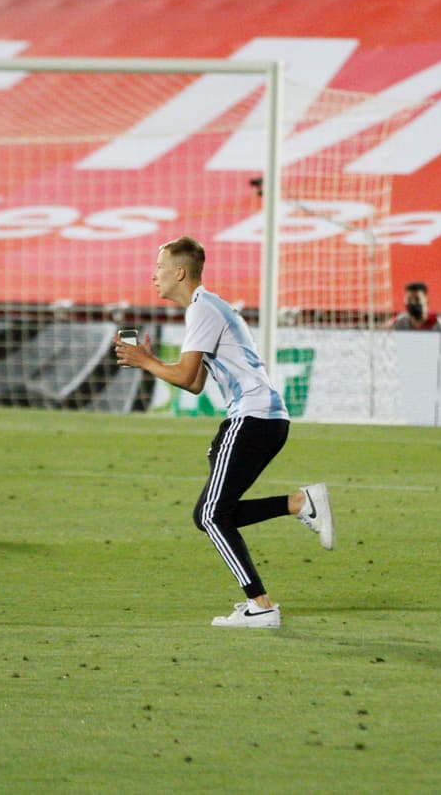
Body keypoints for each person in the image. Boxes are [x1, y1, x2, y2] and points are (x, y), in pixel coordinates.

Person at [115, 236, 334, 628]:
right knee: (212, 514)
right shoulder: (206, 308)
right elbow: (195, 382)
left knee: (212, 515)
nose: (154, 275)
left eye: (160, 267)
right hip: (259, 419)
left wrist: (146, 361)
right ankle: (299, 503)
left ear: (180, 272)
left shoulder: (203, 310)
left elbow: (184, 376)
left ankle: (261, 605)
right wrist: (149, 361)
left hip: (254, 417)